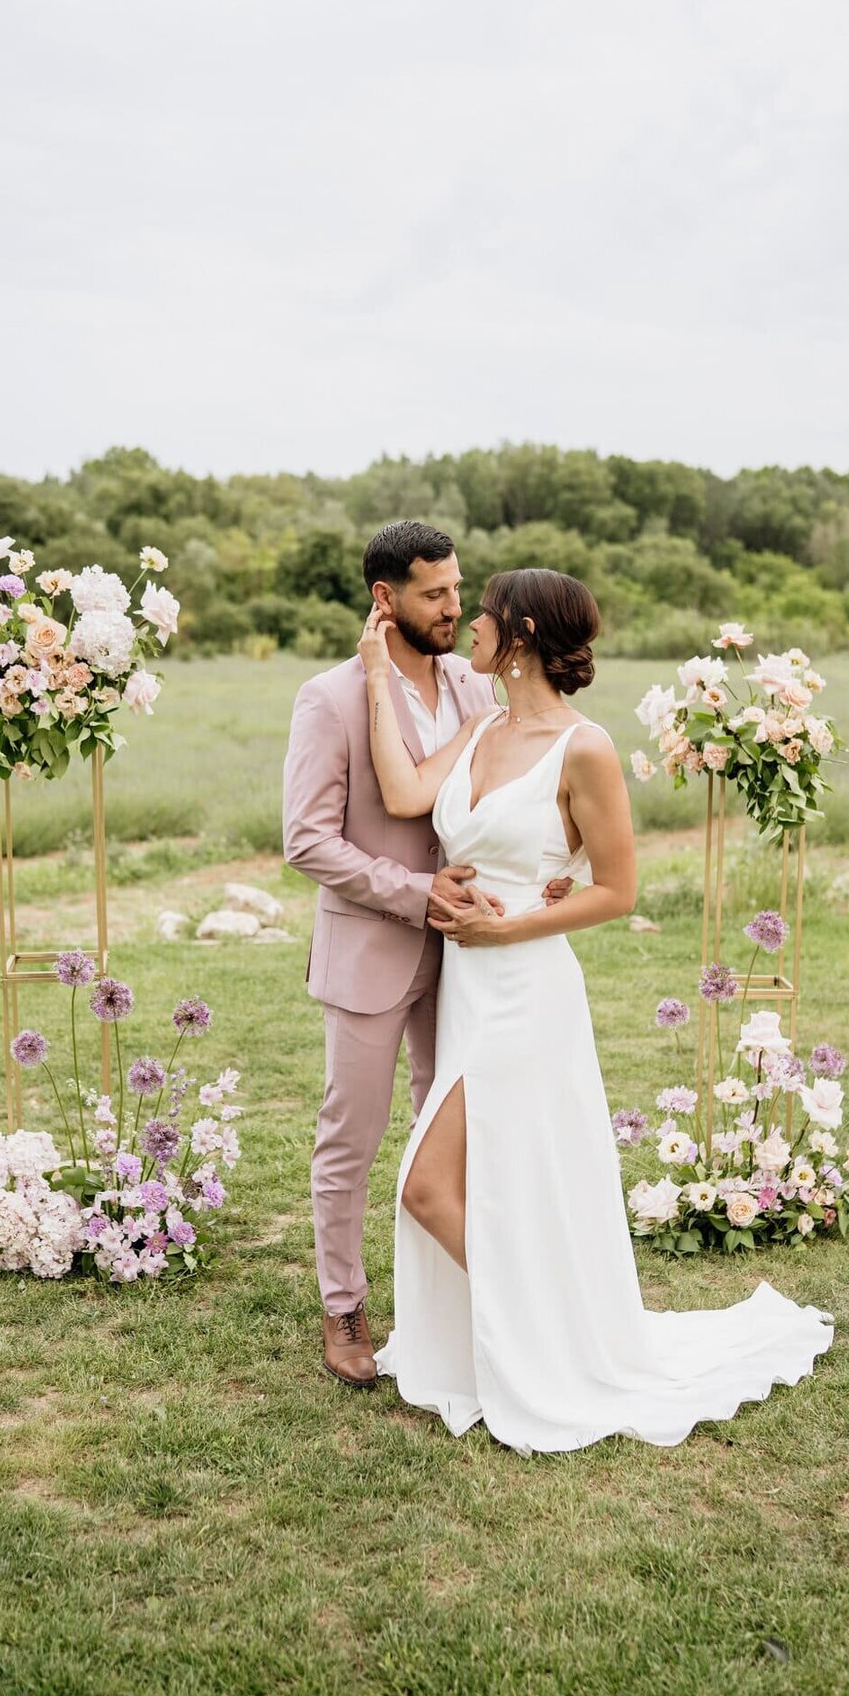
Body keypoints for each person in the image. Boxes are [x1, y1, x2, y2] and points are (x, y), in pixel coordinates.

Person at [357, 566, 836, 1453]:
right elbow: (402, 794)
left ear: (523, 634)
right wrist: (377, 675)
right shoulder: (480, 726)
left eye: (485, 614)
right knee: (499, 1176)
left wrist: (512, 924)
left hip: (526, 986)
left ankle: (545, 1340)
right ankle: (539, 1328)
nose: (471, 626)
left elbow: (618, 889)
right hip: (470, 989)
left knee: (426, 1186)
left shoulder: (585, 747)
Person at [282, 522, 569, 1389]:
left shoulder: (477, 685)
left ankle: (457, 1310)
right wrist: (416, 894)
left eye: (457, 590)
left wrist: (551, 874)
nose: (454, 607)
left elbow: (532, 779)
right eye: (435, 593)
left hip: (470, 959)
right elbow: (307, 840)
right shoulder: (329, 698)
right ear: (385, 597)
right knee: (351, 1141)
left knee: (459, 1136)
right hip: (372, 951)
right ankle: (343, 1307)